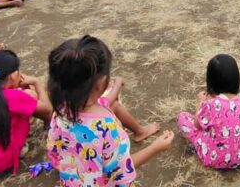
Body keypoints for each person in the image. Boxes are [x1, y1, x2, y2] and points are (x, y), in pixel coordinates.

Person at [47, 36, 173, 186]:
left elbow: (54, 155)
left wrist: (117, 86)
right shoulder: (108, 129)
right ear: (100, 83)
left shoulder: (60, 111)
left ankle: (141, 131)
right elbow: (120, 172)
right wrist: (155, 148)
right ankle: (142, 132)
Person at [177, 54, 240, 169]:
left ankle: (199, 148)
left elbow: (197, 126)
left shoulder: (210, 105)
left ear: (211, 81)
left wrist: (200, 104)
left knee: (183, 117)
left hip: (214, 158)